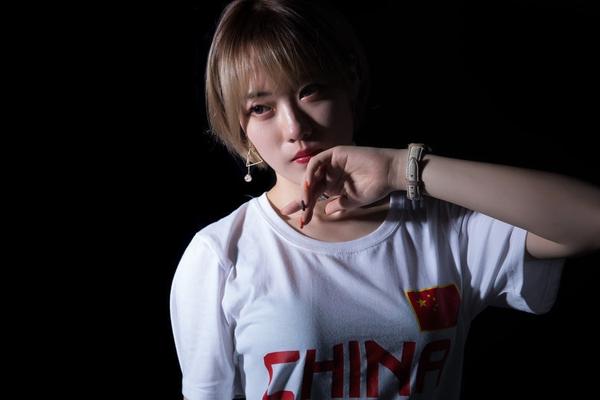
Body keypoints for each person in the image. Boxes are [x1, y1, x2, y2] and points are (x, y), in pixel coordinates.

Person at [170, 0, 600, 398]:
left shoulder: (442, 228)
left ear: (350, 81)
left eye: (309, 90)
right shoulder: (220, 256)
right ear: (241, 125)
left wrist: (403, 170)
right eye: (261, 108)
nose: (295, 127)